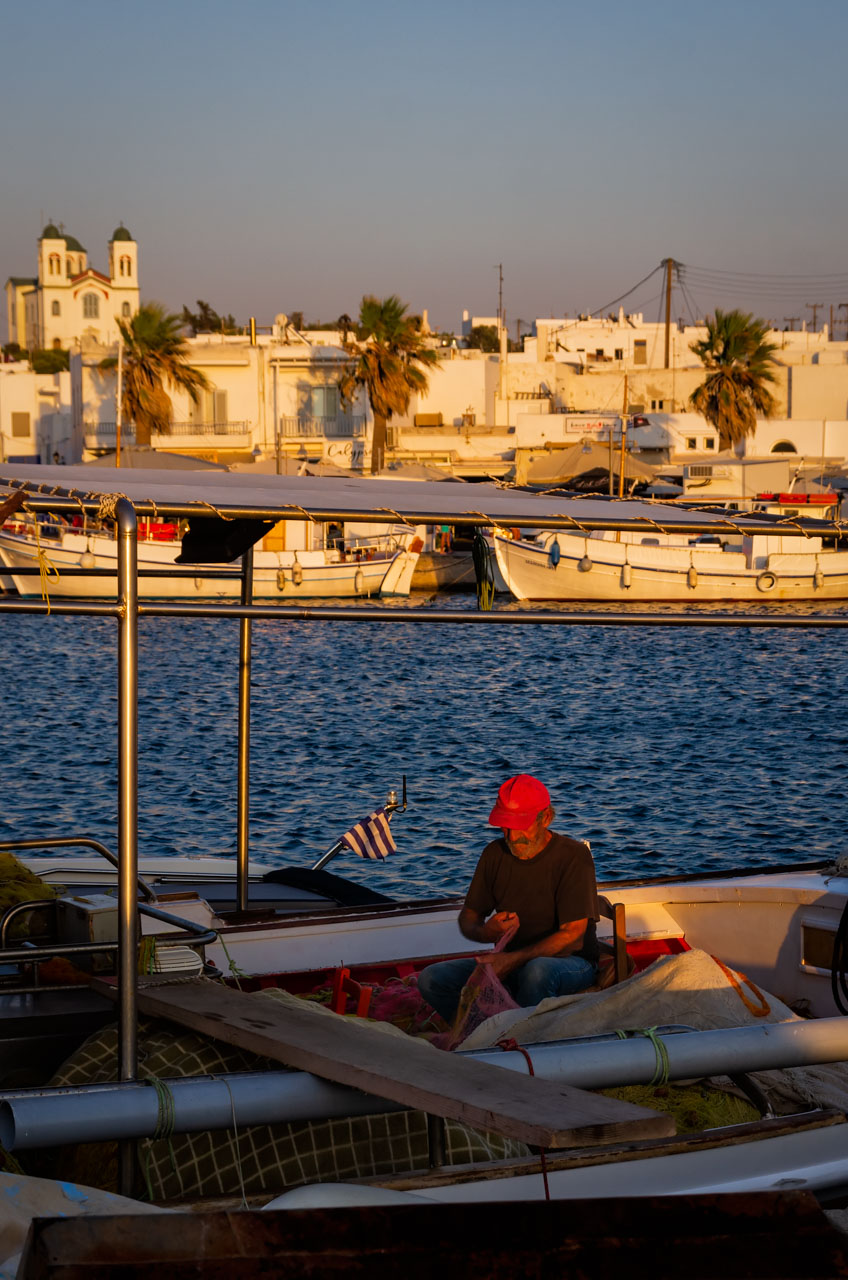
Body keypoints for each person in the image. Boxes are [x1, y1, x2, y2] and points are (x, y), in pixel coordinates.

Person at [418, 775, 600, 1025]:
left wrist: (512, 961)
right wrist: (486, 932)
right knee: (432, 978)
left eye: (520, 826)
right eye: (505, 826)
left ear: (545, 818)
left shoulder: (573, 856)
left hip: (570, 963)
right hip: (510, 961)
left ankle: (523, 1040)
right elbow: (468, 918)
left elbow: (573, 935)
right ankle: (480, 1033)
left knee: (536, 972)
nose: (513, 837)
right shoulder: (494, 854)